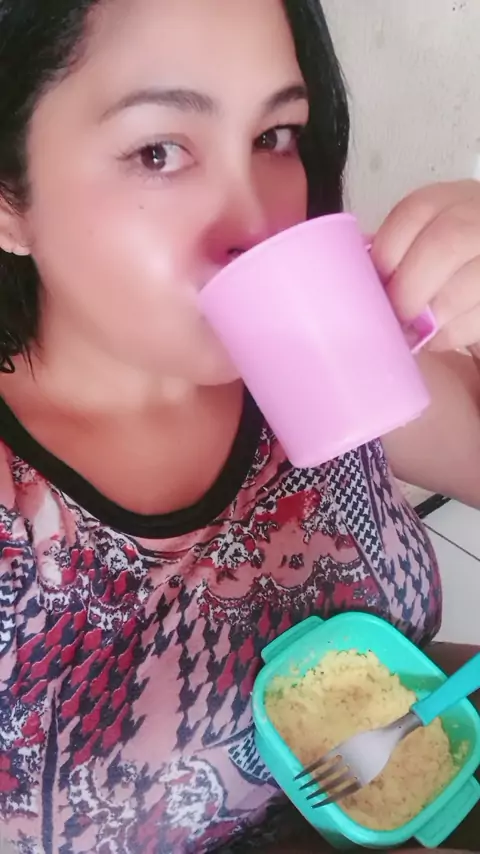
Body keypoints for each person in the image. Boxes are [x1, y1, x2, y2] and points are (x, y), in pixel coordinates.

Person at [0, 1, 479, 851]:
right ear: (10, 200)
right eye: (158, 151)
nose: (258, 226)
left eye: (274, 137)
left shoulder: (318, 354)